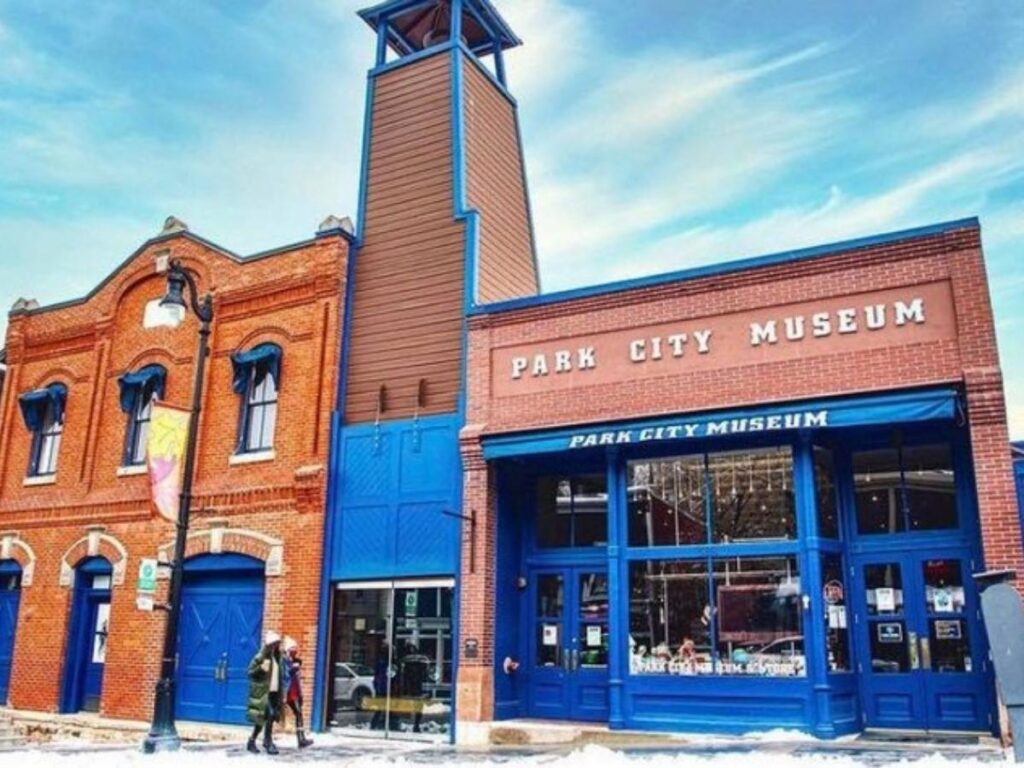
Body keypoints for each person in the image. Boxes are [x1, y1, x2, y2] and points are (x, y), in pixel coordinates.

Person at [247, 631, 284, 755]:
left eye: (277, 644)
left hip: (274, 692)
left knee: (263, 719)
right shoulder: (260, 657)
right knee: (270, 715)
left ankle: (252, 741)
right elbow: (250, 672)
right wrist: (260, 668)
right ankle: (268, 742)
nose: (275, 646)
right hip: (263, 692)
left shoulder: (277, 658)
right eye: (273, 644)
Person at [283, 637, 313, 749]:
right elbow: (285, 675)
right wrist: (293, 669)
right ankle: (301, 739)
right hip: (289, 692)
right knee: (297, 713)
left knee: (299, 713)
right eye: (292, 649)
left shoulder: (294, 661)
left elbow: (297, 678)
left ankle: (301, 738)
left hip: (295, 690)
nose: (295, 651)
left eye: (295, 649)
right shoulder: (284, 661)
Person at [370, 642, 390, 731]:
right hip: (383, 687)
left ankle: (376, 724)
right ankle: (375, 724)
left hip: (381, 687)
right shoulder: (384, 662)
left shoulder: (381, 661)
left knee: (381, 708)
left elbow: (376, 676)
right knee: (381, 707)